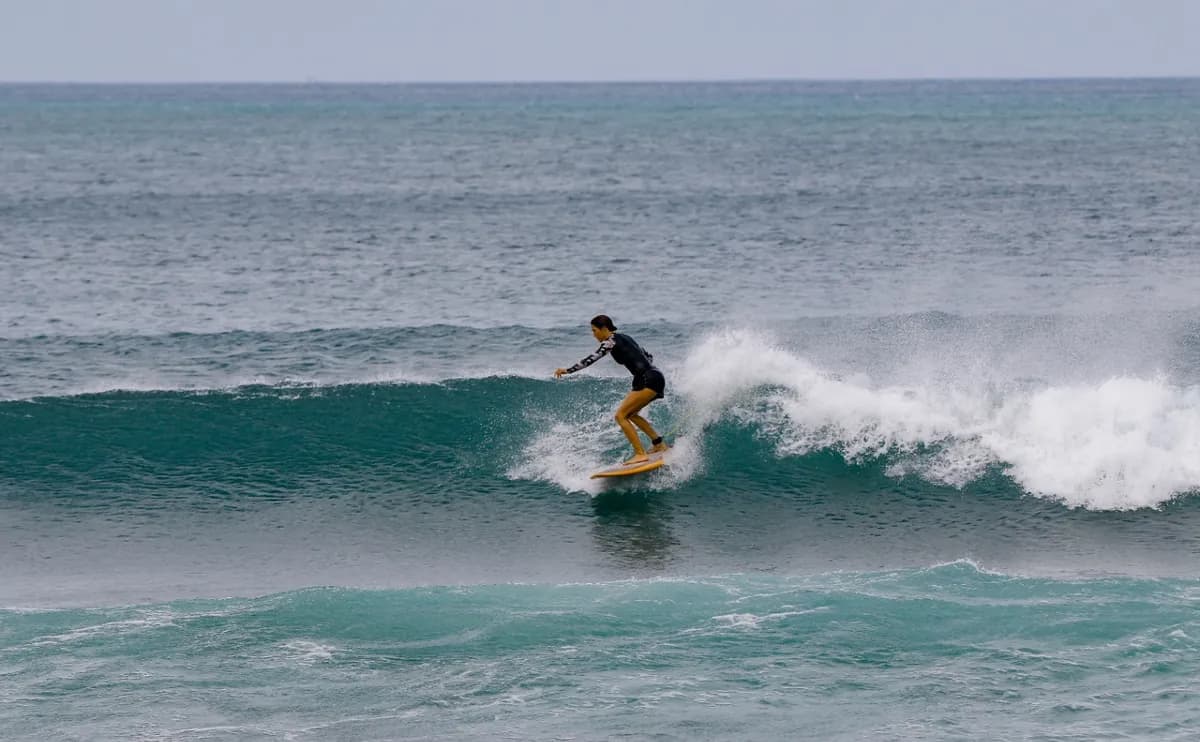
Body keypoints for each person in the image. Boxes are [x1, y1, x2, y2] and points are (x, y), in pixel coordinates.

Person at [555, 314, 668, 464]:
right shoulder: (625, 337)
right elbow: (648, 355)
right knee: (631, 414)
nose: (593, 334)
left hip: (647, 380)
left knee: (620, 416)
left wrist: (568, 370)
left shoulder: (610, 342)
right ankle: (658, 444)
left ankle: (640, 454)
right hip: (655, 376)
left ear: (603, 328)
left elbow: (591, 359)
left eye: (594, 330)